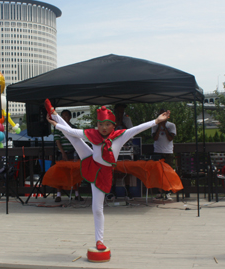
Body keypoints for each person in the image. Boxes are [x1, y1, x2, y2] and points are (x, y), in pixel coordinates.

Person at [45, 99, 170, 251]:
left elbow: (137, 129)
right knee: (74, 139)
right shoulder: (92, 134)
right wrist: (56, 122)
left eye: (107, 124)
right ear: (97, 125)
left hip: (103, 173)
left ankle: (99, 240)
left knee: (97, 209)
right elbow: (72, 132)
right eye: (100, 124)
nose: (103, 128)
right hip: (91, 160)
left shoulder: (120, 135)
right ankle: (54, 112)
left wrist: (157, 121)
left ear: (113, 125)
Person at [53, 109, 83, 202]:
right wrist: (63, 153)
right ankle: (58, 195)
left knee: (75, 174)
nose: (64, 118)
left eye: (66, 116)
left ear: (70, 117)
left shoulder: (73, 128)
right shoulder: (58, 128)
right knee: (60, 174)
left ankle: (77, 194)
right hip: (62, 154)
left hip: (72, 153)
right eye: (63, 116)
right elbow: (58, 141)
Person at [108, 103, 134, 200]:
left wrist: (122, 124)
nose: (120, 113)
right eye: (119, 111)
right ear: (115, 111)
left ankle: (128, 191)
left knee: (126, 169)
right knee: (113, 170)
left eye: (122, 111)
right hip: (113, 148)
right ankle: (112, 191)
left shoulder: (127, 119)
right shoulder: (110, 120)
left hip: (125, 148)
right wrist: (116, 124)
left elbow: (132, 133)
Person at [151, 108, 176, 201]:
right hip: (158, 151)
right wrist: (159, 126)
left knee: (167, 173)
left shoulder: (171, 125)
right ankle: (159, 192)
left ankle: (167, 191)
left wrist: (164, 127)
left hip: (168, 152)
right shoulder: (154, 126)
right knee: (158, 173)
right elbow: (155, 138)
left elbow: (170, 138)